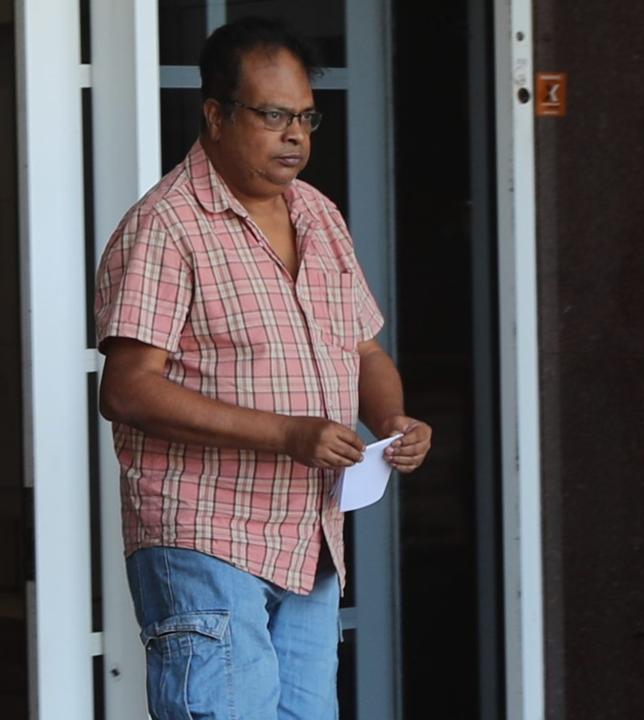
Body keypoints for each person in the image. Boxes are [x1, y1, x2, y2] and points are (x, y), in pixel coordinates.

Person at [94, 17, 431, 720]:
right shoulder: (166, 225)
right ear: (215, 114)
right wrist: (286, 434)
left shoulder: (316, 213)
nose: (295, 135)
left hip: (307, 538)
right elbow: (127, 390)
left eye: (306, 117)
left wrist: (391, 419)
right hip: (205, 536)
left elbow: (363, 349)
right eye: (273, 114)